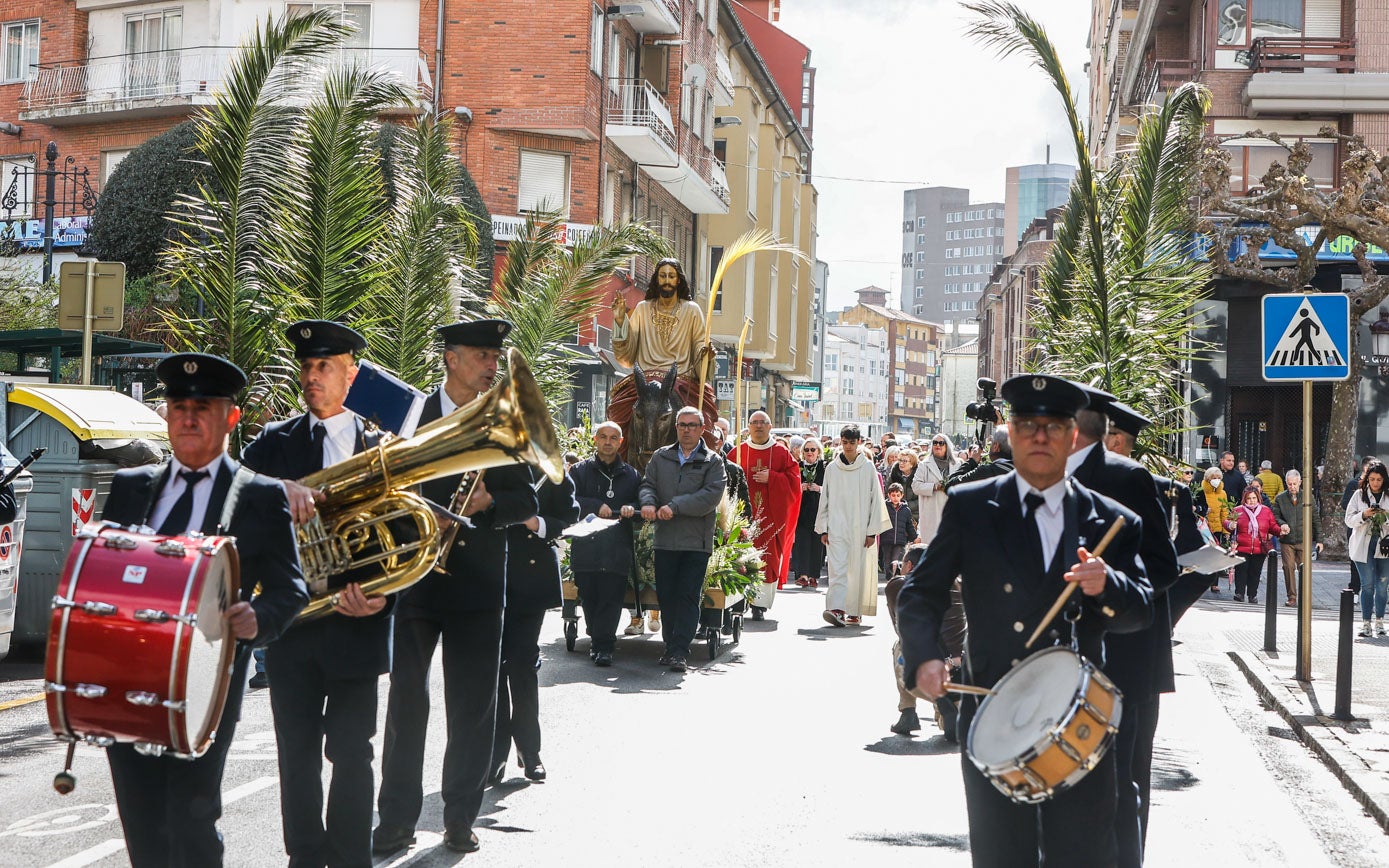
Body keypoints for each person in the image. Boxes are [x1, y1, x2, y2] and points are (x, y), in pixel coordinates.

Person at [897, 374, 1152, 868]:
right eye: (1028, 425)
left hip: (1080, 722)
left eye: (1053, 426)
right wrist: (925, 658)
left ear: (1072, 436)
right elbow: (921, 594)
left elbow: (1140, 611)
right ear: (1010, 433)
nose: (1040, 437)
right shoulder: (972, 507)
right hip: (996, 714)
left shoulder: (1112, 520)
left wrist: (1108, 585)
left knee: (1082, 857)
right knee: (1001, 857)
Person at [102, 353, 308, 867]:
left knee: (192, 820)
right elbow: (100, 572)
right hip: (130, 678)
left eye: (204, 406)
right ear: (166, 415)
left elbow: (292, 589)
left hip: (208, 684)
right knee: (142, 823)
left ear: (230, 418)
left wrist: (257, 617)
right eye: (178, 405)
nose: (189, 417)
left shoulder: (260, 496)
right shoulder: (131, 488)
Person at [374, 320, 539, 858]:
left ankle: (459, 817)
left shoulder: (506, 423)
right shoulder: (411, 416)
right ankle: (396, 822)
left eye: (496, 356)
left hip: (479, 584)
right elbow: (383, 491)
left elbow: (528, 505)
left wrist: (490, 505)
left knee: (472, 707)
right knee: (406, 704)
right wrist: (418, 517)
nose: (493, 365)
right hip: (417, 579)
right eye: (482, 355)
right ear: (450, 357)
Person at [239, 320, 394, 868]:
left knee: (354, 753)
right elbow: (229, 495)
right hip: (293, 628)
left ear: (351, 375)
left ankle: (353, 858)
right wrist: (275, 487)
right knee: (297, 758)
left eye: (324, 366)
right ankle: (303, 858)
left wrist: (381, 599)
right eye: (306, 367)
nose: (311, 376)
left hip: (357, 624)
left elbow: (404, 537)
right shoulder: (274, 444)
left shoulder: (383, 450)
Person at [1066, 384, 1178, 868]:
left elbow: (1162, 564)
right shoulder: (1031, 478)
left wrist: (1109, 587)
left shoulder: (1130, 479)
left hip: (1125, 656)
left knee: (1123, 785)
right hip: (1060, 660)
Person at [492, 467, 579, 784]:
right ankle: (495, 752)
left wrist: (537, 523)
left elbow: (569, 516)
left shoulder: (550, 468)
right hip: (488, 574)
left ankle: (530, 750)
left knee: (523, 664)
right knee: (493, 667)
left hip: (530, 575)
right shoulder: (492, 458)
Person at [638, 406, 726, 672]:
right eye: (682, 425)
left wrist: (674, 506)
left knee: (687, 595)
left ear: (702, 429)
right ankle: (669, 646)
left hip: (695, 543)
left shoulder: (712, 461)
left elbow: (710, 496)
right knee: (666, 596)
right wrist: (649, 503)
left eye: (692, 425)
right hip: (665, 540)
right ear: (675, 427)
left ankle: (679, 650)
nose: (686, 430)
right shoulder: (661, 457)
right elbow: (647, 485)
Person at [609, 258, 717, 445]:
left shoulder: (692, 310)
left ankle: (704, 462)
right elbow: (627, 355)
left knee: (703, 427)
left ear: (678, 280)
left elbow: (699, 344)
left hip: (681, 379)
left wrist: (705, 354)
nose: (667, 280)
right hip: (645, 379)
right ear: (656, 279)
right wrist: (620, 321)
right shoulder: (643, 309)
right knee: (618, 416)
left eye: (671, 276)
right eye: (663, 276)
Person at [569, 422, 641, 666]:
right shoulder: (579, 471)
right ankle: (596, 637)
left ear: (620, 442)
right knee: (589, 596)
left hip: (616, 548)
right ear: (595, 439)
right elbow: (568, 500)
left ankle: (604, 647)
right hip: (586, 546)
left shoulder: (631, 474)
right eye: (603, 437)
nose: (608, 442)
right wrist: (593, 506)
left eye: (613, 438)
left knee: (611, 597)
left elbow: (641, 501)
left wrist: (633, 508)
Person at [815, 425, 892, 627]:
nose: (848, 446)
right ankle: (836, 608)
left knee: (857, 570)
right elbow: (825, 499)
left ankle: (854, 610)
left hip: (860, 527)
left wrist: (872, 531)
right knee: (837, 569)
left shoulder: (867, 468)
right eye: (845, 442)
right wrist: (823, 528)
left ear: (858, 443)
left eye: (852, 442)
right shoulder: (832, 468)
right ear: (841, 442)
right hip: (836, 526)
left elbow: (876, 499)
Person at [730, 410, 801, 618]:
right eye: (754, 423)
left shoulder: (781, 453)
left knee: (766, 558)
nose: (758, 426)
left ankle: (759, 606)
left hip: (770, 516)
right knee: (739, 557)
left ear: (770, 427)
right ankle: (737, 601)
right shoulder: (737, 453)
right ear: (748, 427)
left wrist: (773, 477)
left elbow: (794, 483)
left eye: (763, 422)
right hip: (741, 515)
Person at [1346, 460, 1389, 637]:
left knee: (1382, 584)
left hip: (1384, 546)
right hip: (1362, 546)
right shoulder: (1358, 495)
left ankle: (1379, 620)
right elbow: (1348, 519)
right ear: (1367, 479)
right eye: (1372, 479)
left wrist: (1384, 517)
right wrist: (1364, 515)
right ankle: (1365, 623)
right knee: (1368, 584)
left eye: (1379, 479)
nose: (1375, 483)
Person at [1273, 470, 1322, 608]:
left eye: (1295, 483)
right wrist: (1282, 524)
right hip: (1287, 539)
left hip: (1304, 539)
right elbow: (1275, 515)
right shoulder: (1280, 498)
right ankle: (1292, 596)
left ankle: (1304, 595)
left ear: (1300, 482)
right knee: (1288, 567)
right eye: (1289, 484)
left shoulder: (1308, 497)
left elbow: (1315, 518)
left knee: (1304, 568)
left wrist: (1320, 539)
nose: (1292, 486)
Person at [1232, 484, 1280, 604]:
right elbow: (1228, 522)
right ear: (1245, 499)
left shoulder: (1266, 511)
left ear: (1258, 498)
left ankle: (1252, 595)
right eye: (1249, 498)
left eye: (1254, 498)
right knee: (1241, 570)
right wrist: (1229, 524)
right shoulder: (1238, 510)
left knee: (1255, 572)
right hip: (1242, 546)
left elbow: (1272, 526)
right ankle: (1239, 593)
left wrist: (1280, 530)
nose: (1252, 501)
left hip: (1259, 547)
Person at [911, 435, 960, 545]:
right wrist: (934, 487)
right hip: (931, 512)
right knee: (931, 549)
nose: (937, 445)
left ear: (947, 446)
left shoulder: (957, 464)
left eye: (941, 443)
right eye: (935, 443)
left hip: (952, 511)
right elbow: (915, 486)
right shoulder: (924, 464)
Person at [792, 438, 827, 587]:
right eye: (806, 450)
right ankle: (802, 574)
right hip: (801, 510)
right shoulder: (797, 466)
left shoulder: (824, 467)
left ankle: (814, 575)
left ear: (818, 451)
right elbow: (791, 487)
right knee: (801, 542)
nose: (810, 453)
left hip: (818, 509)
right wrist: (800, 487)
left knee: (816, 543)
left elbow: (831, 488)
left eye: (813, 449)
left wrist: (818, 488)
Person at [1343, 456, 1379, 596]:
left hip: (1376, 530)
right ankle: (1355, 589)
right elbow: (1345, 505)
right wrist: (1362, 513)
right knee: (1356, 560)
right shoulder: (1354, 484)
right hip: (1357, 528)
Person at [944, 425, 1012, 491]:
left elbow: (951, 485)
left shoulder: (986, 472)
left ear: (995, 446)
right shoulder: (1020, 472)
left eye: (991, 443)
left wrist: (972, 461)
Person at [879, 483, 916, 579]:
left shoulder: (906, 510)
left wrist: (914, 537)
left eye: (898, 495)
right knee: (887, 559)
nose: (895, 498)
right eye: (893, 495)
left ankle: (894, 577)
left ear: (902, 496)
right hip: (886, 539)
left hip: (900, 540)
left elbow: (909, 525)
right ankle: (888, 576)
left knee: (895, 560)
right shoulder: (884, 507)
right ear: (889, 495)